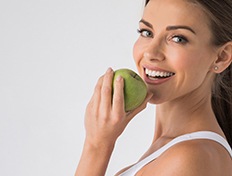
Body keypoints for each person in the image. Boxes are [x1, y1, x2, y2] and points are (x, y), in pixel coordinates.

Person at [75, 0, 232, 175]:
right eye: (147, 32)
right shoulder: (174, 150)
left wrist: (96, 145)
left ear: (221, 57)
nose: (150, 53)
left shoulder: (191, 157)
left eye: (178, 38)